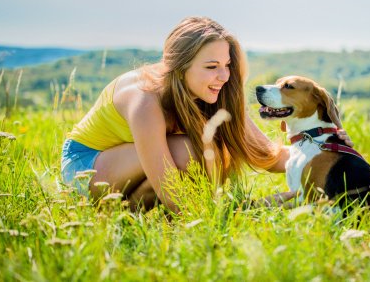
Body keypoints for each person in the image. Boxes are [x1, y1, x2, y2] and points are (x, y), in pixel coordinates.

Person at [61, 16, 353, 212]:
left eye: (226, 65)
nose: (223, 76)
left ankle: (131, 215)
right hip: (86, 165)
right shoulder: (144, 98)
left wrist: (336, 156)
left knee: (216, 146)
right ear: (180, 65)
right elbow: (170, 188)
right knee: (196, 149)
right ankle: (121, 214)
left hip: (137, 169)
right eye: (211, 67)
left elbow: (269, 156)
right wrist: (247, 211)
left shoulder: (214, 94)